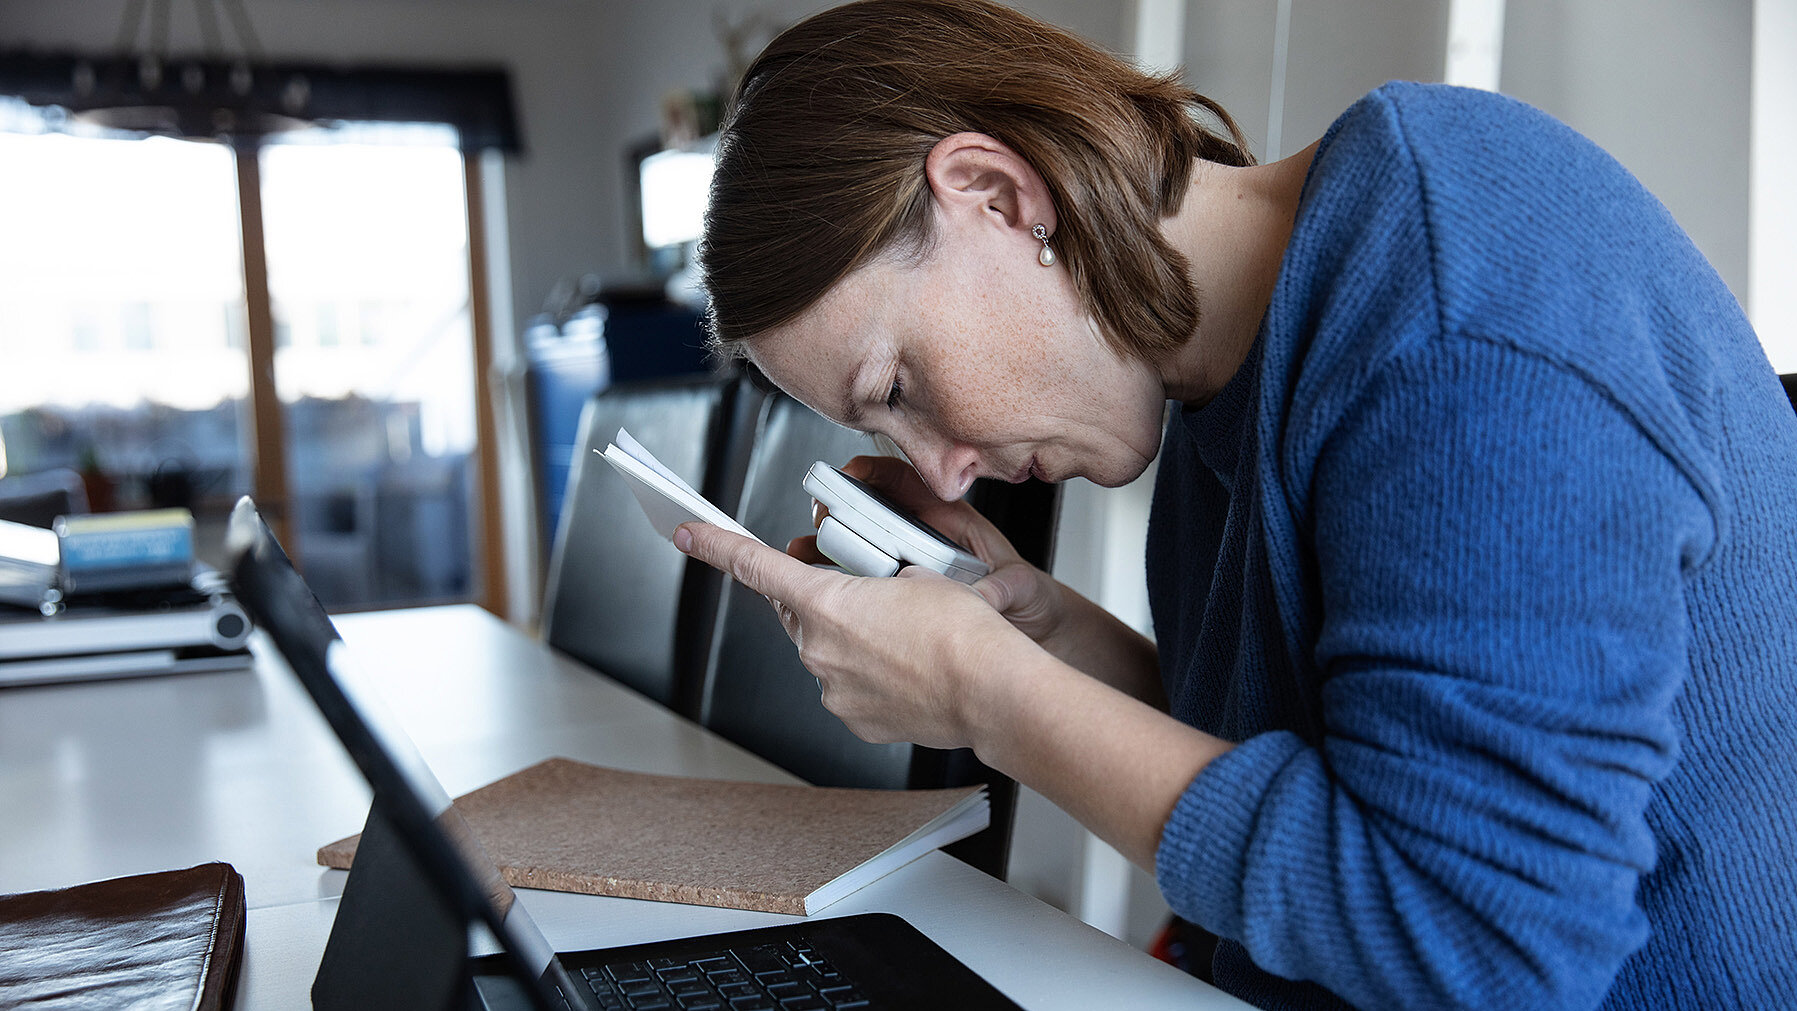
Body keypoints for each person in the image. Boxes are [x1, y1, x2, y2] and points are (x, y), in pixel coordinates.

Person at [673, 1, 1797, 1007]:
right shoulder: (1222, 364)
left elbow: (1483, 943)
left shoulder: (1456, 318)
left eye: (900, 389)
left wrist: (987, 696)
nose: (943, 468)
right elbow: (1342, 760)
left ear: (997, 195)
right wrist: (1047, 635)